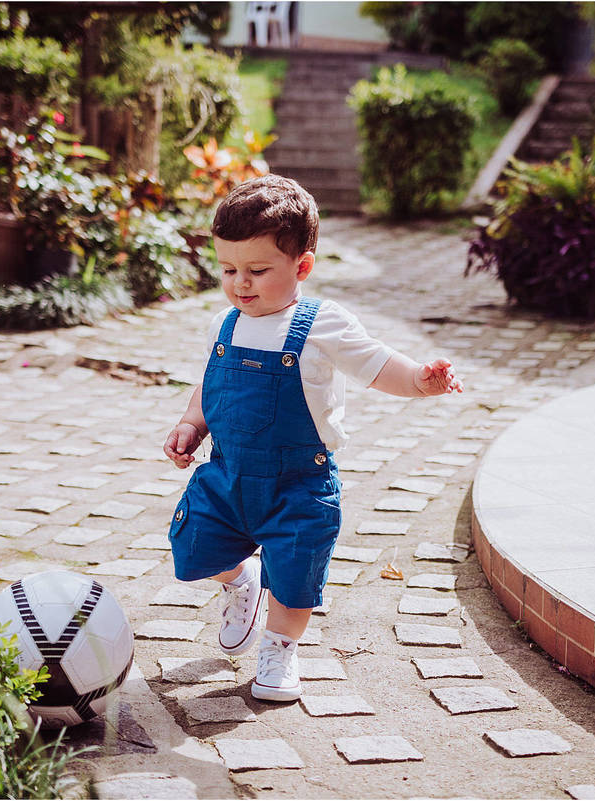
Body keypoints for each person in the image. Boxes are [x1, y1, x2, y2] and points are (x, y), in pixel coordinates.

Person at [163, 175, 463, 702]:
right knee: (194, 547)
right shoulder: (224, 324)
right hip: (228, 472)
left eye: (258, 271)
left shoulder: (322, 323)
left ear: (301, 266)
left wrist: (420, 379)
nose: (240, 284)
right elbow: (210, 385)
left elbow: (379, 366)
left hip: (299, 482)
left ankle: (280, 650)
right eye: (228, 269)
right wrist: (193, 423)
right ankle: (240, 581)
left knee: (296, 575)